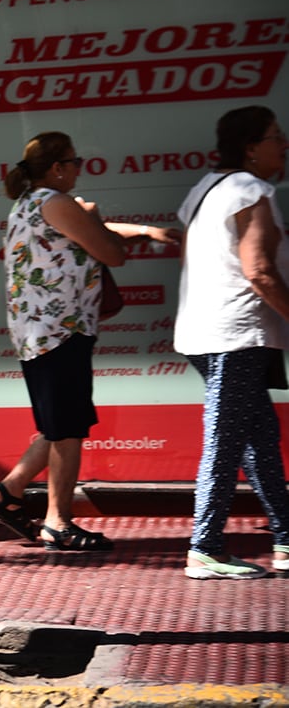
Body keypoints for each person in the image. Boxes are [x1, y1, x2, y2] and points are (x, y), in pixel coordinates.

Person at [0, 131, 179, 551]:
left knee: (57, 426)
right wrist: (95, 218)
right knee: (67, 430)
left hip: (41, 330)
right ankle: (59, 522)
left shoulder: (31, 204)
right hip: (60, 330)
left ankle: (8, 492)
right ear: (57, 168)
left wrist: (147, 230)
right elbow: (111, 252)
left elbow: (93, 230)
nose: (79, 170)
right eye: (75, 163)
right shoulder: (57, 202)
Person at [173, 105, 289, 579]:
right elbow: (259, 270)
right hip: (234, 336)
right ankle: (205, 546)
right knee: (225, 440)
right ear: (250, 148)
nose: (283, 144)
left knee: (259, 437)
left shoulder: (205, 189)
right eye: (275, 136)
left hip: (211, 332)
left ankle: (285, 537)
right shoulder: (250, 190)